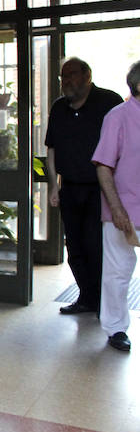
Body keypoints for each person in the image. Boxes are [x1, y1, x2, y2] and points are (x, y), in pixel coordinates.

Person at [45, 57, 123, 315]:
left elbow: (125, 147)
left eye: (72, 74)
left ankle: (104, 303)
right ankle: (86, 297)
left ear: (87, 76)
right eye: (63, 76)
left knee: (96, 247)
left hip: (99, 189)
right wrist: (53, 186)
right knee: (75, 248)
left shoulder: (109, 102)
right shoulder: (58, 108)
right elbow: (52, 148)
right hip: (70, 188)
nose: (66, 80)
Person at [92, 60, 140, 352]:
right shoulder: (118, 117)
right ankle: (116, 328)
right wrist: (117, 209)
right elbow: (103, 166)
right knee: (118, 271)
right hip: (123, 209)